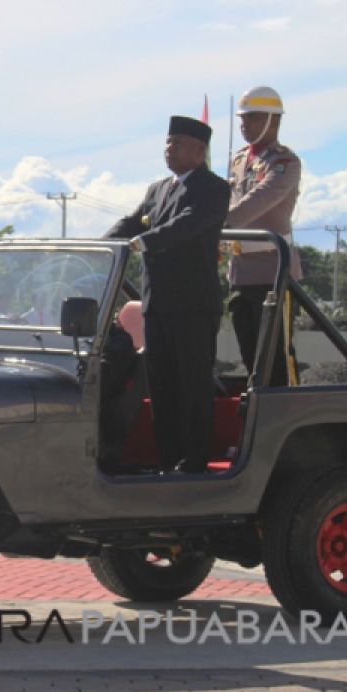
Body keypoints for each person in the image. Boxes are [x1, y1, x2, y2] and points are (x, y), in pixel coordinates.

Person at [105, 115, 230, 474]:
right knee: (161, 386)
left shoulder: (213, 189)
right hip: (157, 305)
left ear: (199, 150)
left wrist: (143, 242)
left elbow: (187, 225)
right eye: (167, 143)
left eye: (176, 144)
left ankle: (193, 460)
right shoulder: (158, 189)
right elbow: (132, 221)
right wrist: (101, 245)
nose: (168, 150)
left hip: (192, 305)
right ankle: (168, 458)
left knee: (192, 383)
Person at [224, 86, 302, 387]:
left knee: (277, 357)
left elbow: (259, 200)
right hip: (240, 272)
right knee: (250, 354)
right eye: (242, 118)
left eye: (252, 118)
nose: (244, 124)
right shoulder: (239, 159)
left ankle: (284, 413)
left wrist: (217, 224)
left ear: (273, 121)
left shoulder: (285, 163)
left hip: (273, 272)